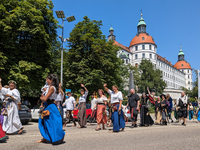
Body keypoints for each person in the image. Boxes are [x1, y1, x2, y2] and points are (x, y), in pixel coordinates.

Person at [37, 74, 65, 144]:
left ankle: (61, 135)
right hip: (47, 106)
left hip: (50, 106)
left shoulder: (52, 88)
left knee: (54, 123)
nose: (46, 81)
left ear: (51, 80)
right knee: (44, 122)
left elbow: (45, 98)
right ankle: (45, 137)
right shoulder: (49, 87)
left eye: (47, 79)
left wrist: (41, 98)